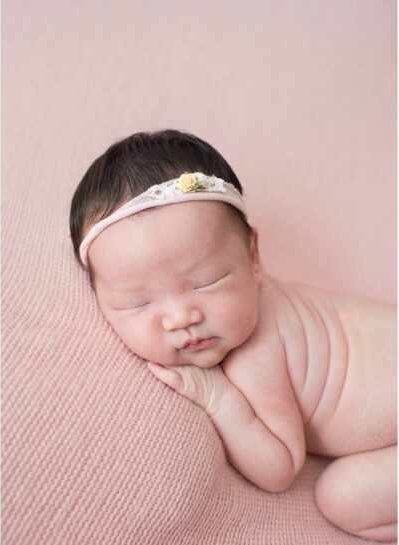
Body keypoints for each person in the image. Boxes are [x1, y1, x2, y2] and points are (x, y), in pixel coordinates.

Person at [70, 129, 397, 542]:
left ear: (253, 258)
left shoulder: (256, 349)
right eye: (138, 303)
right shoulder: (246, 306)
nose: (181, 317)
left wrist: (216, 397)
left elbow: (279, 468)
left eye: (207, 281)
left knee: (344, 497)